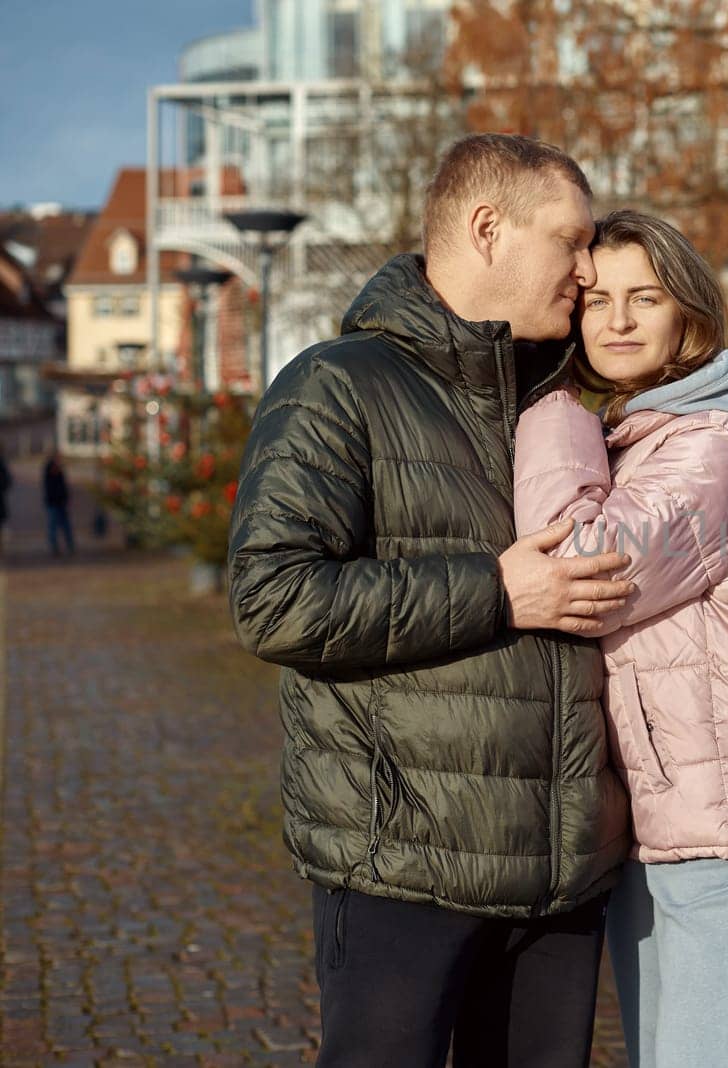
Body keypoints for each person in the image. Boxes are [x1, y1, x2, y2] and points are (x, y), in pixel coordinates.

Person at [227, 134, 637, 1068]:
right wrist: (498, 590)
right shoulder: (336, 386)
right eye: (570, 241)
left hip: (558, 872)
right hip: (400, 869)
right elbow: (272, 598)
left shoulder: (564, 399)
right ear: (487, 228)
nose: (588, 268)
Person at [513, 210, 728, 1068]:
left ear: (688, 312)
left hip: (726, 820)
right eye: (597, 299)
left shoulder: (713, 445)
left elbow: (584, 573)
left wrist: (550, 415)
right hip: (664, 814)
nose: (615, 321)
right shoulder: (645, 437)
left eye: (643, 298)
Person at [43, 452, 74, 556]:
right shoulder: (51, 469)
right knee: (54, 526)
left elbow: (63, 486)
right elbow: (53, 488)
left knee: (65, 526)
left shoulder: (58, 470)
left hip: (60, 502)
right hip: (54, 502)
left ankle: (70, 545)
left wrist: (66, 498)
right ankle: (55, 547)